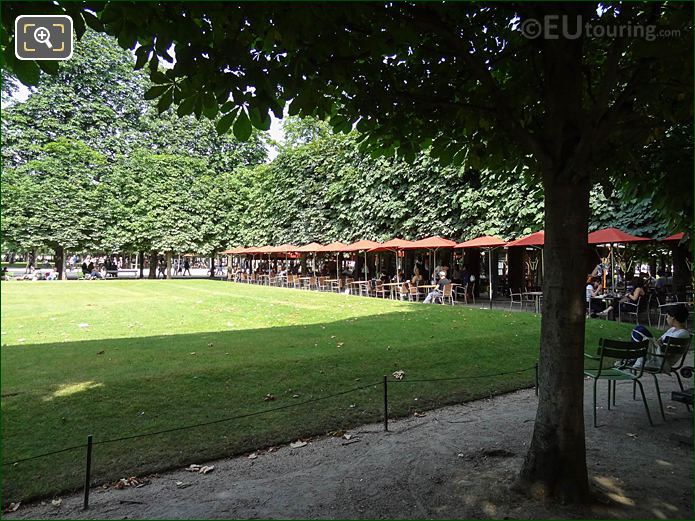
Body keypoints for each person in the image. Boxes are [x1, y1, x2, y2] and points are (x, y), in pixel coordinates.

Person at [629, 304, 690, 371]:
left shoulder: (681, 334)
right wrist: (658, 343)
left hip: (659, 360)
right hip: (658, 355)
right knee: (639, 329)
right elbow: (660, 342)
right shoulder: (673, 330)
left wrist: (658, 343)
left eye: (667, 316)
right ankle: (633, 358)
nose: (666, 318)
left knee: (638, 330)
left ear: (673, 318)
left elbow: (667, 352)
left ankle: (634, 358)